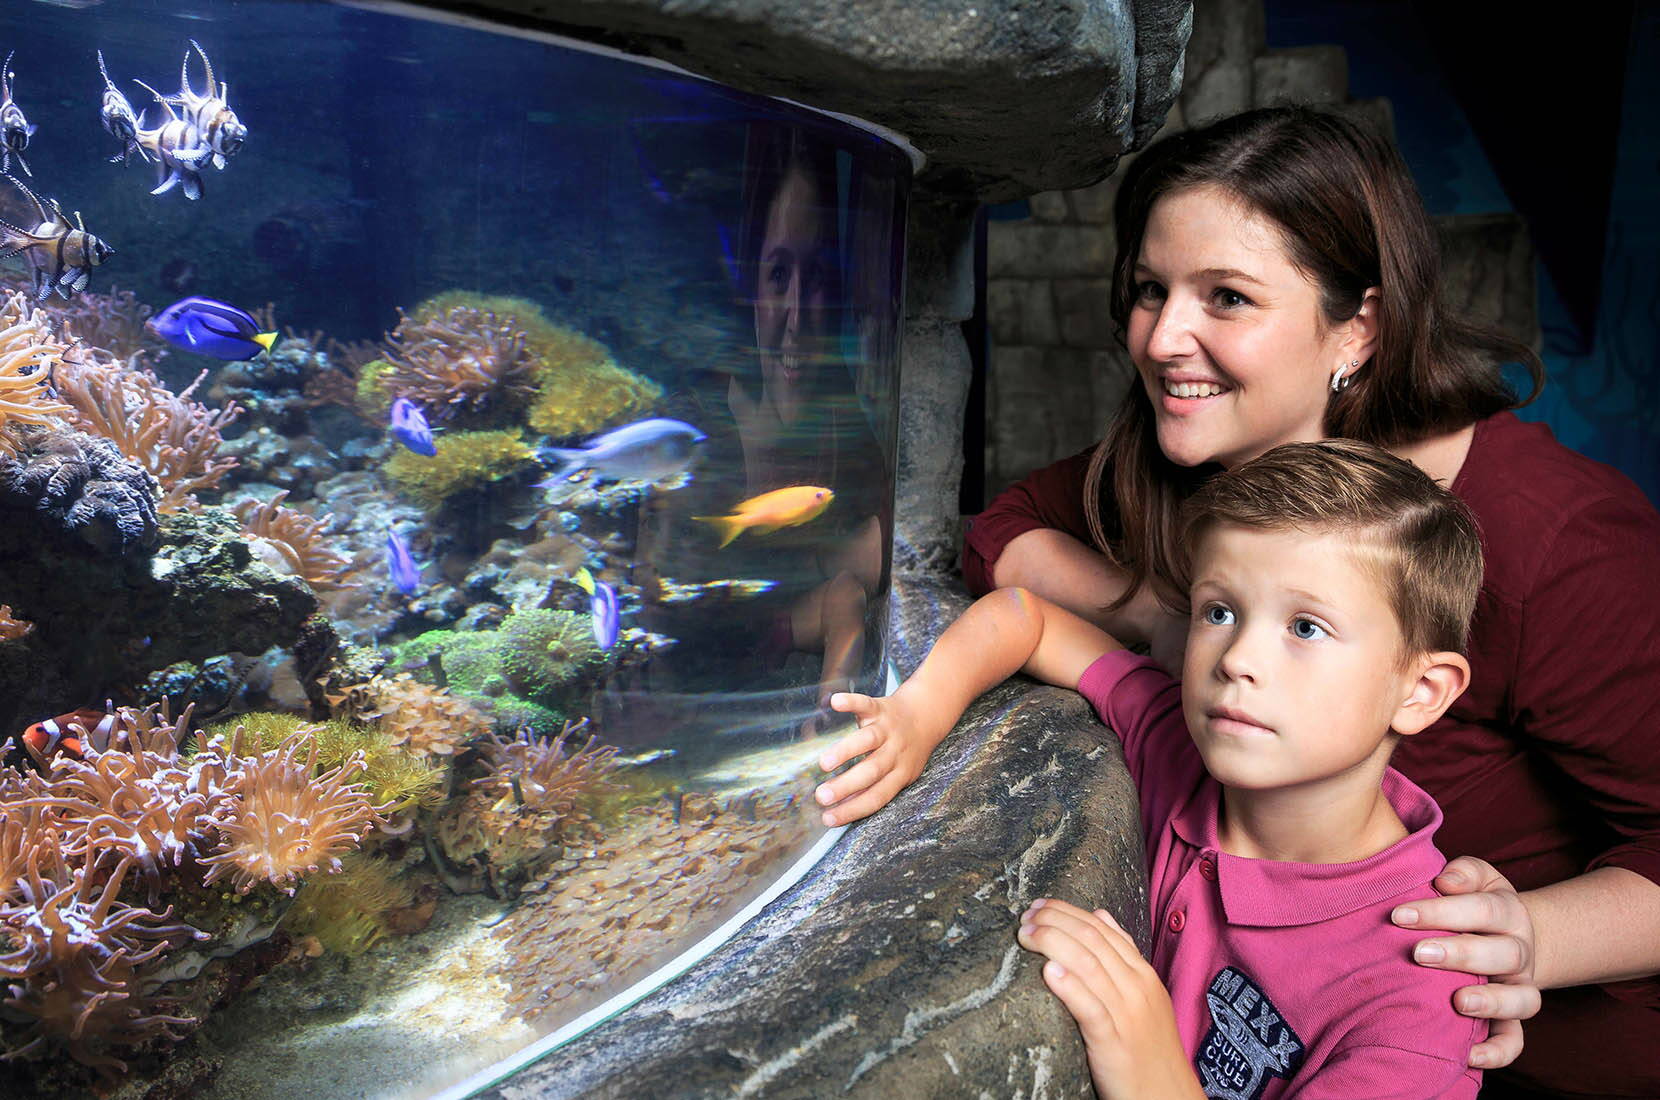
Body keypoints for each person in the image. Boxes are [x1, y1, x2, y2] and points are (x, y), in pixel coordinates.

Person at [948, 106, 1660, 1097]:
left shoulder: (1558, 542)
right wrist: (1162, 618)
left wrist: (1522, 935)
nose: (1162, 338)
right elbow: (1001, 528)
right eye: (1149, 290)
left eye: (1226, 296)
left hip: (1514, 1052)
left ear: (1357, 326)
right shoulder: (1211, 458)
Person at [817, 440, 1488, 1098]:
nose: (1236, 659)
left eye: (1305, 627)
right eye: (1219, 611)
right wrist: (919, 713)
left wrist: (1152, 1071)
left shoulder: (1419, 1002)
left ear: (1420, 692)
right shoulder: (1179, 743)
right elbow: (1029, 619)